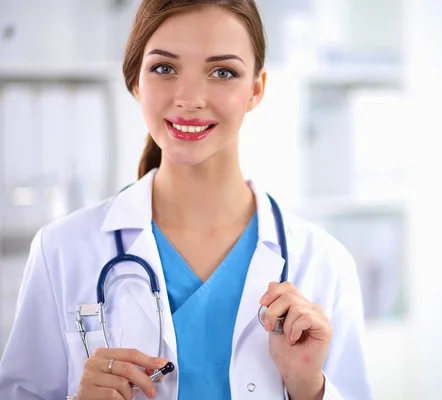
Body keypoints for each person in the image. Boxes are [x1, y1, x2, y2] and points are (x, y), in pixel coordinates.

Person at [0, 0, 372, 399]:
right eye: (164, 68)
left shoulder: (323, 263)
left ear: (256, 89)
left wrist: (309, 389)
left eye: (222, 72)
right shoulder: (62, 250)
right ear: (136, 82)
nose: (190, 97)